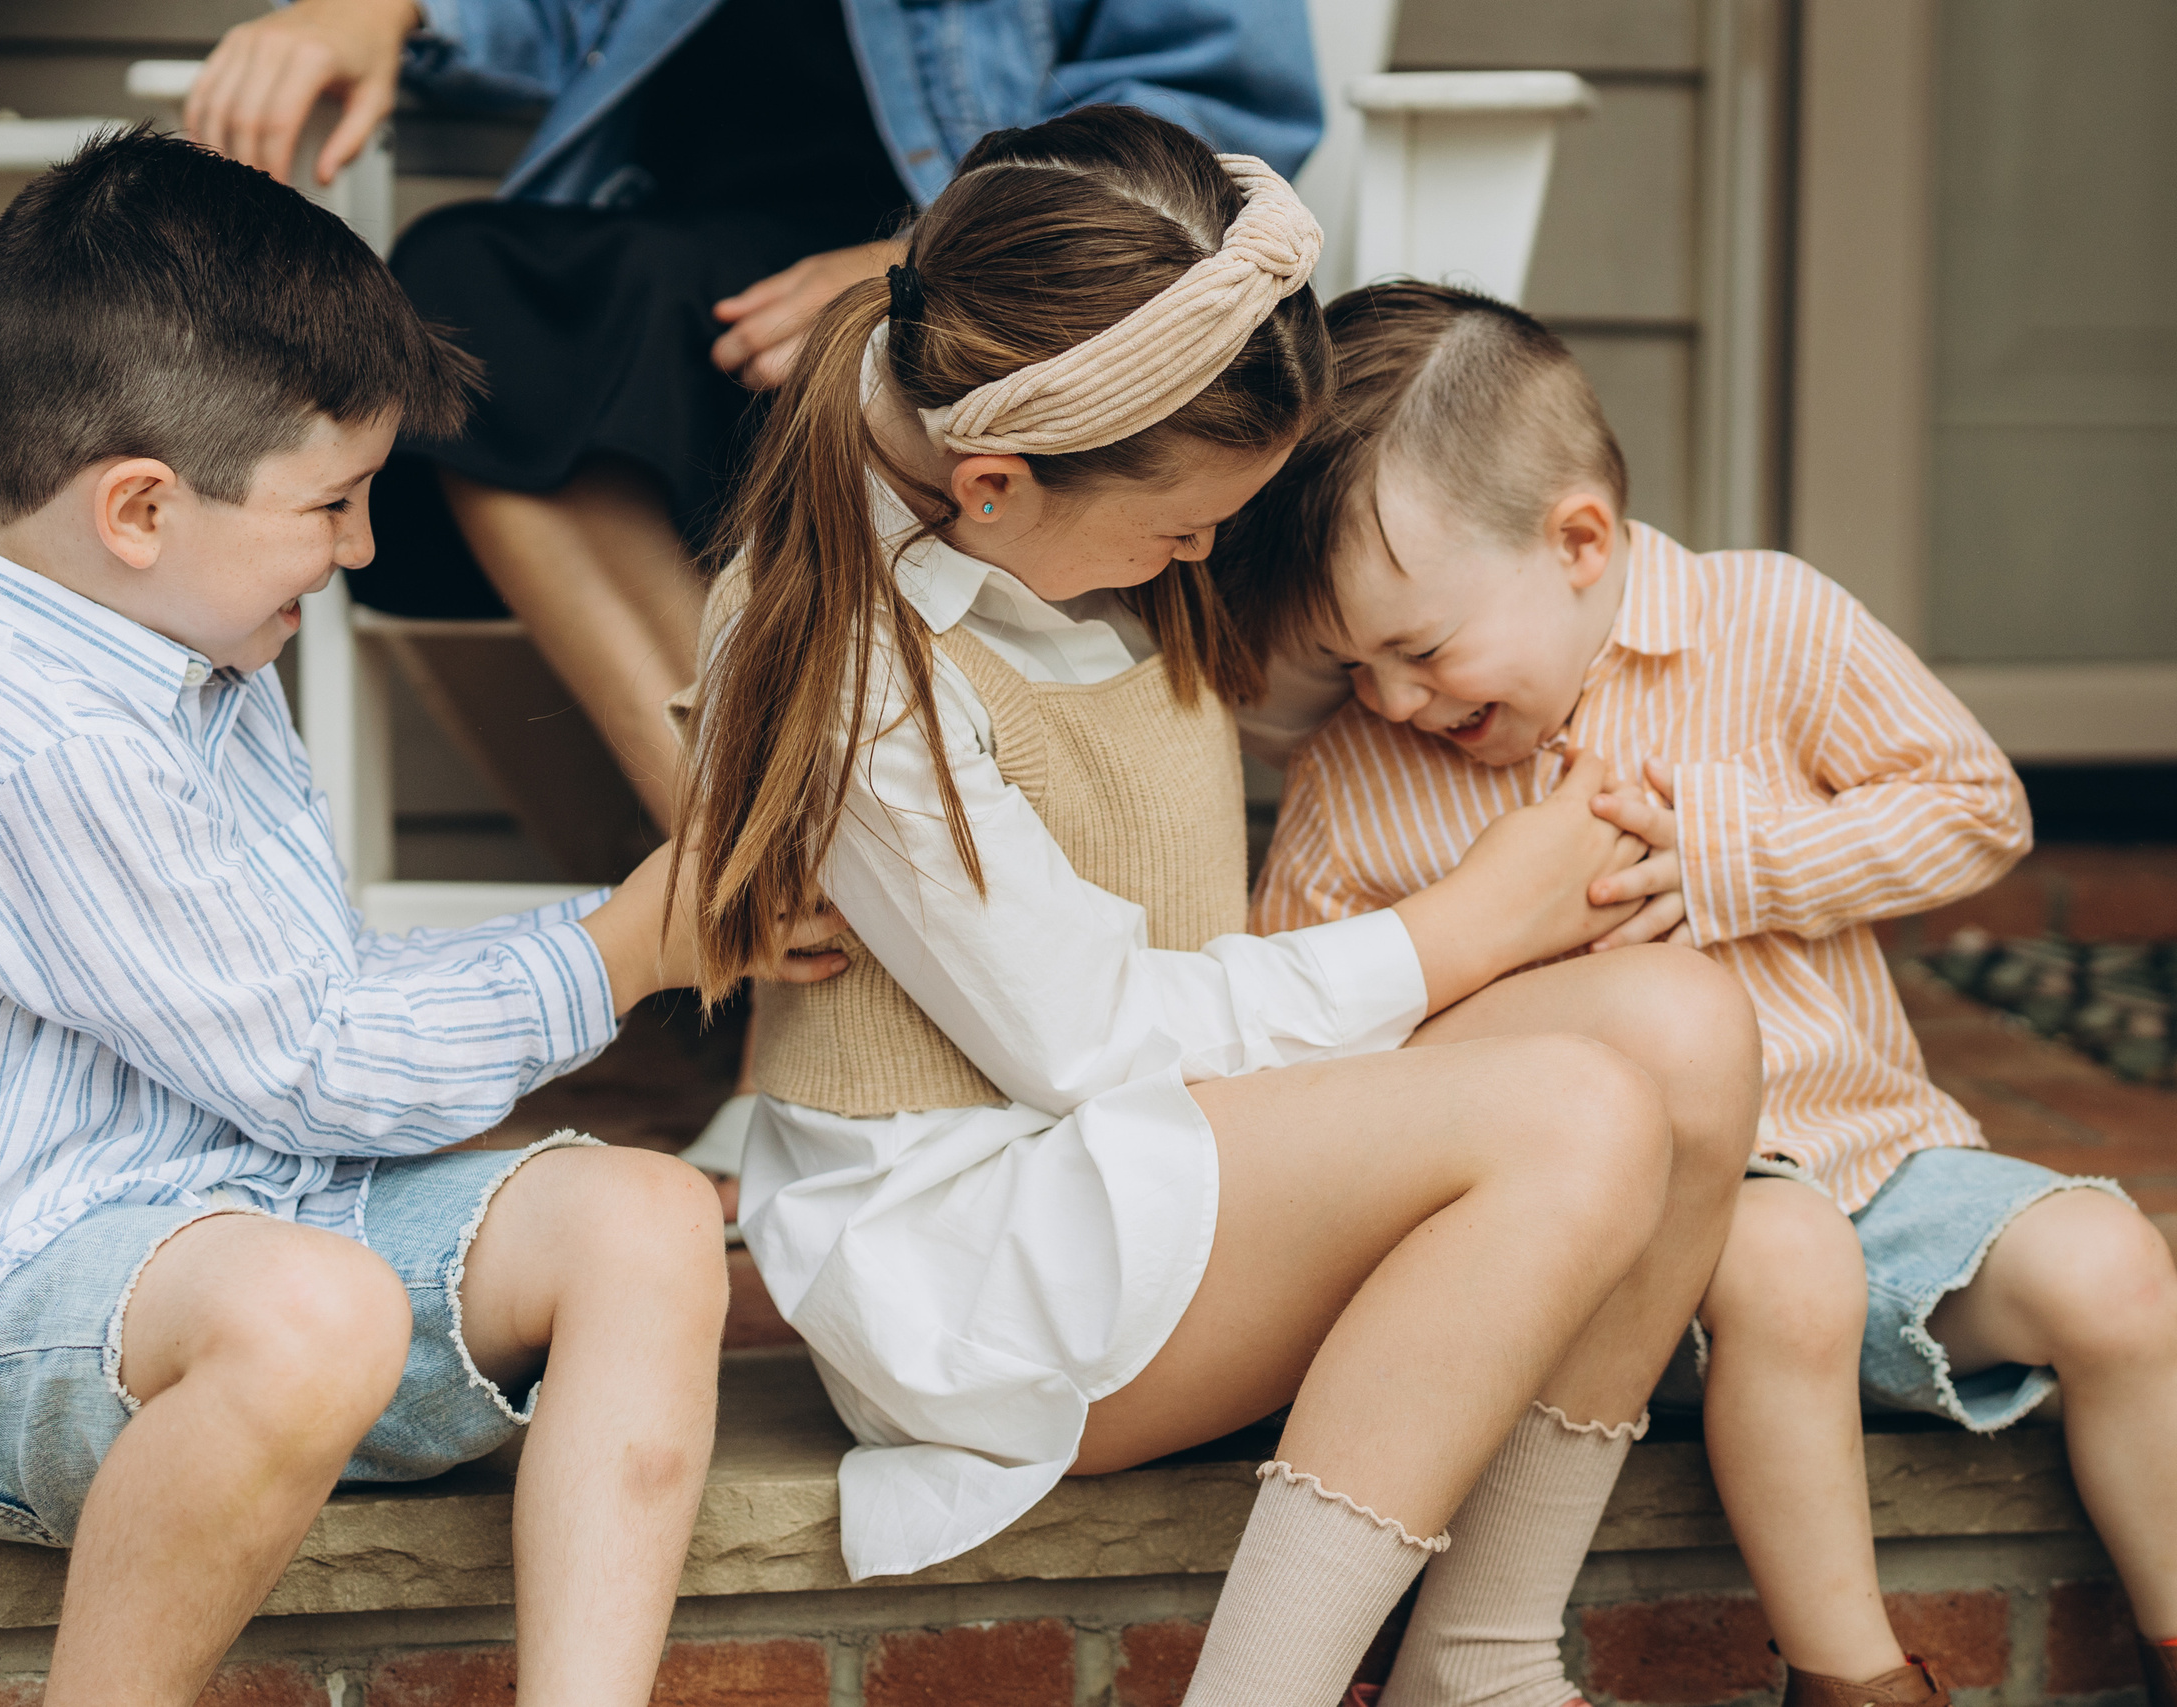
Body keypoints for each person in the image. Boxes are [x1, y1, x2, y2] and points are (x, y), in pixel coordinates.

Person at [671, 105, 1760, 1705]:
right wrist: (1455, 931)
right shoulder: (844, 650)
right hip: (982, 1245)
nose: (1209, 554)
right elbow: (1080, 1036)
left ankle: (1480, 1649)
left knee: (1687, 1029)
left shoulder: (1107, 472)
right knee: (1574, 1117)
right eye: (1187, 528)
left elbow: (1413, 556)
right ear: (990, 487)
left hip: (1179, 1142)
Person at [0, 129, 844, 1707]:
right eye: (334, 503)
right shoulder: (39, 738)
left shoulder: (186, 646)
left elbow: (309, 1002)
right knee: (314, 1308)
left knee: (644, 1216)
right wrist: (629, 943)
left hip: (259, 1230)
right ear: (140, 507)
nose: (359, 548)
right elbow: (318, 1057)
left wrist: (638, 930)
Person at [1230, 282, 2177, 1707]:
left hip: (1880, 1160)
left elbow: (1978, 806)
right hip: (1634, 1265)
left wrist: (1752, 858)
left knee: (2115, 1264)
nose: (1398, 698)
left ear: (1581, 539)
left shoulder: (1767, 622)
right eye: (1354, 664)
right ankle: (1850, 1673)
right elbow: (1316, 1043)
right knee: (1786, 1255)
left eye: (1421, 648)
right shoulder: (1361, 775)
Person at [182, 0, 1323, 829]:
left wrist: (922, 261)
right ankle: (770, 865)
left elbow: (1216, 103)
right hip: (684, 301)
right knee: (466, 297)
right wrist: (377, 10)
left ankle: (775, 890)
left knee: (544, 328)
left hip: (975, 293)